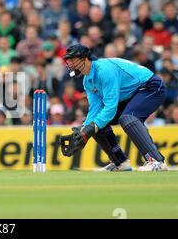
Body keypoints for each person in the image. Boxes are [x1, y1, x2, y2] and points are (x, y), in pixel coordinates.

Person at [60, 44, 168, 172]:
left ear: (84, 59)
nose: (70, 65)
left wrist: (90, 127)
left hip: (151, 86)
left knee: (127, 118)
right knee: (97, 124)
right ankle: (120, 163)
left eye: (73, 60)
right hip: (130, 95)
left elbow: (110, 107)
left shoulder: (104, 71)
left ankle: (157, 161)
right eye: (69, 61)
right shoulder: (87, 81)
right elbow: (95, 110)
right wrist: (84, 130)